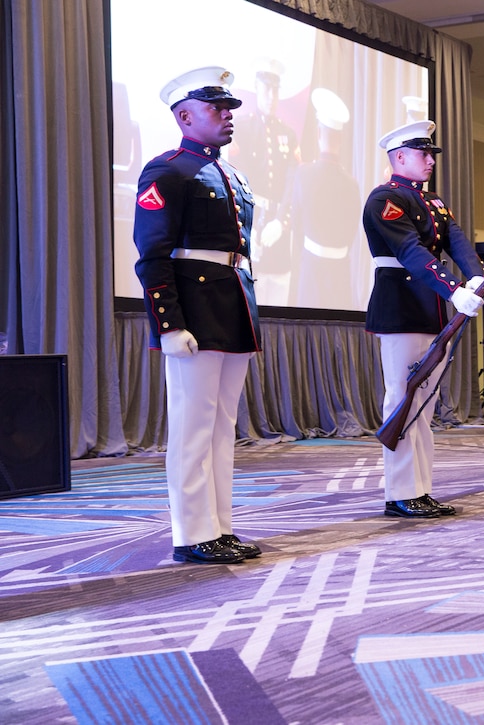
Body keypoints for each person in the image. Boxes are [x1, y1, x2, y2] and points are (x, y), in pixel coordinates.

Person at [133, 66, 262, 564]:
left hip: (232, 305)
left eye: (229, 107)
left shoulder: (231, 174)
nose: (228, 116)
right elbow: (153, 253)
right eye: (217, 108)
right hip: (193, 309)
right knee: (192, 426)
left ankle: (219, 526)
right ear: (185, 116)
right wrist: (168, 323)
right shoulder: (166, 171)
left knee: (222, 424)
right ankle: (191, 532)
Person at [364, 119, 484, 517]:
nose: (430, 160)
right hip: (400, 305)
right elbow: (411, 251)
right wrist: (454, 289)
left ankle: (420, 487)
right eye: (423, 154)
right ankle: (400, 492)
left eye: (431, 153)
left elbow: (457, 239)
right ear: (399, 157)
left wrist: (477, 276)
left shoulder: (432, 201)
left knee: (426, 403)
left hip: (430, 307)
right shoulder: (387, 198)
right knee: (402, 397)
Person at [231, 58, 299, 306]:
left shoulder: (288, 135)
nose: (271, 95)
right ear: (257, 89)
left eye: (275, 89)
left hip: (277, 227)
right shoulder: (242, 128)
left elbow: (292, 185)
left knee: (279, 296)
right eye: (266, 88)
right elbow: (237, 180)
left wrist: (282, 221)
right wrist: (250, 225)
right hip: (252, 227)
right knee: (249, 301)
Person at [289, 88, 361, 308]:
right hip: (341, 270)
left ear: (319, 133)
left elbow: (296, 223)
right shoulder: (352, 183)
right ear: (340, 138)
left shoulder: (303, 173)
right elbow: (352, 231)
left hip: (312, 267)